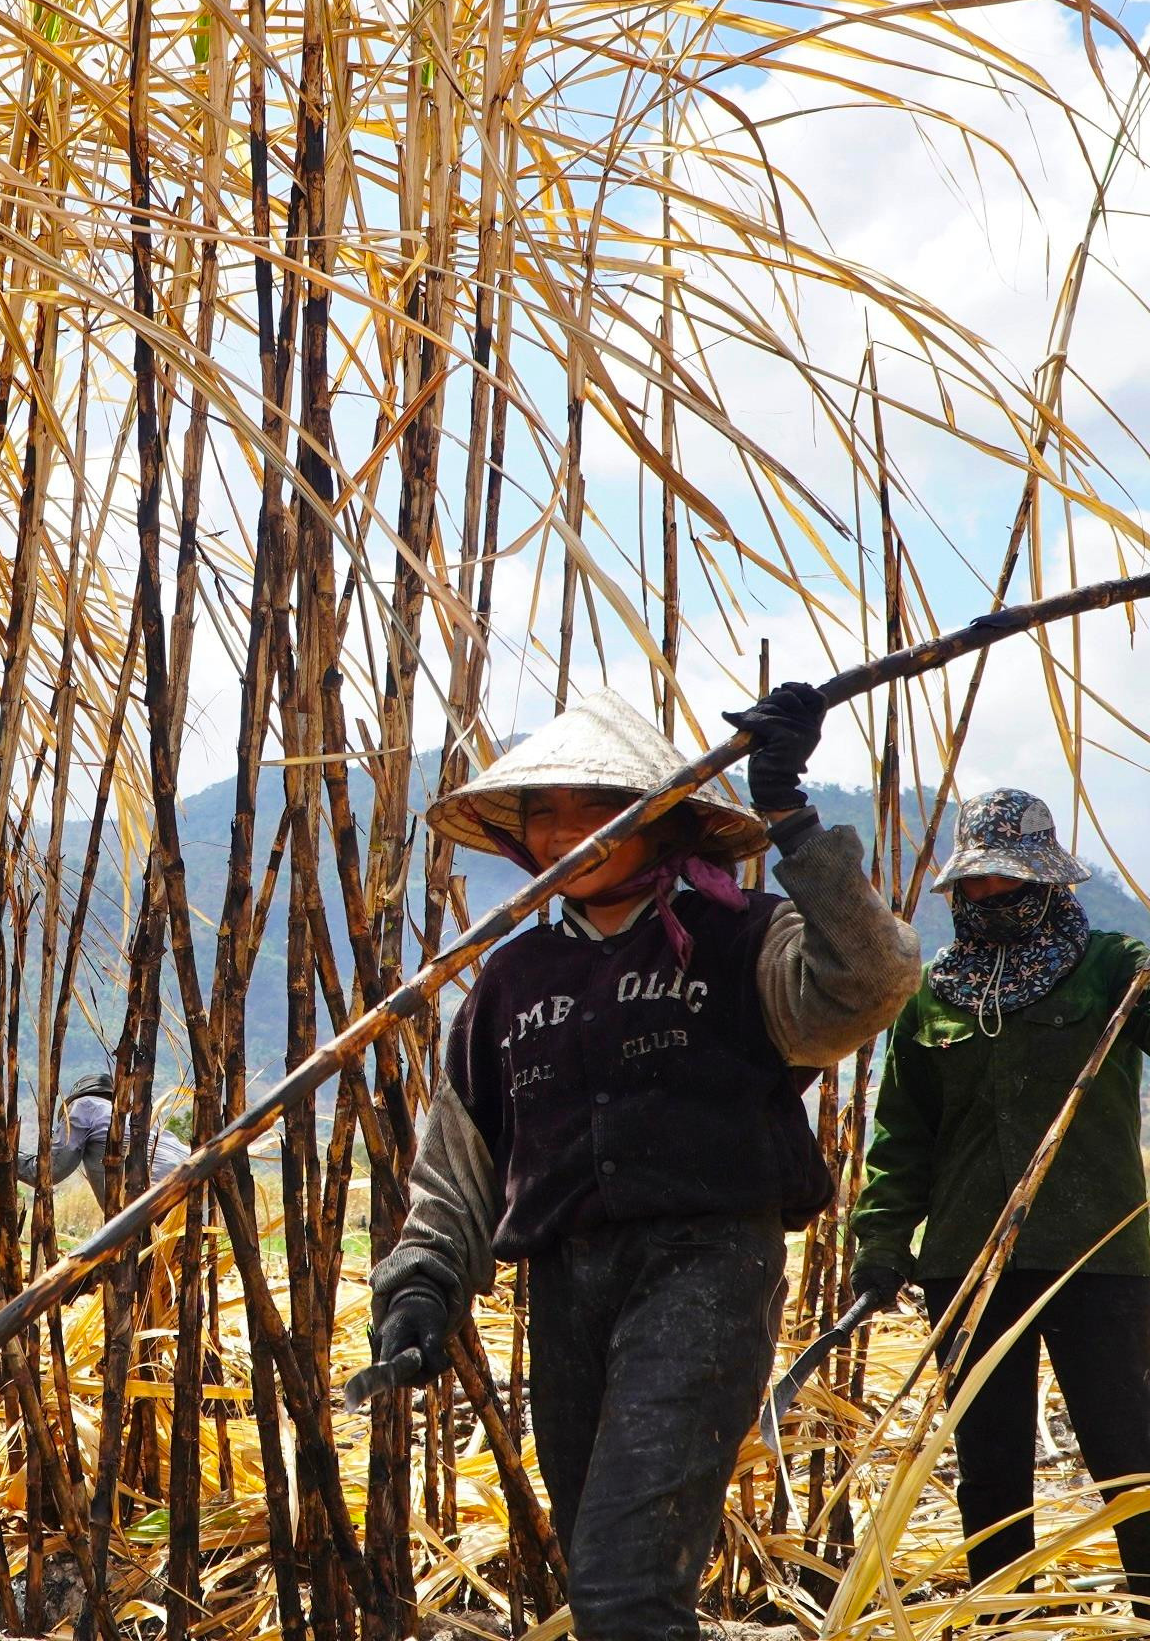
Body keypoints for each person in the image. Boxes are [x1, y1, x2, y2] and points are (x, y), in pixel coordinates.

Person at [368, 684, 921, 1641]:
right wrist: (420, 1288)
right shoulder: (508, 981)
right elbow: (457, 1167)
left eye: (596, 808)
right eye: (543, 812)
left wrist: (790, 814)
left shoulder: (746, 937)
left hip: (705, 1270)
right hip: (566, 1289)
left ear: (662, 822)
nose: (561, 834)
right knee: (608, 1584)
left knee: (627, 1594)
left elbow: (873, 980)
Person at [846, 789, 1150, 1626]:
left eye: (1006, 884)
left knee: (1124, 1454)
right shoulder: (933, 997)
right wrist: (880, 1243)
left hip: (1092, 1253)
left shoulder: (1110, 964)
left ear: (1047, 885)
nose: (987, 899)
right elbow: (902, 1140)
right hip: (966, 1259)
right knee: (988, 1465)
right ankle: (1005, 1621)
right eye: (975, 886)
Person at [15, 1074, 193, 1196]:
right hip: (195, 1204)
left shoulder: (84, 1106)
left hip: (154, 1203)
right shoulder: (148, 1125)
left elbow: (50, 1171)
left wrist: (3, 1153)